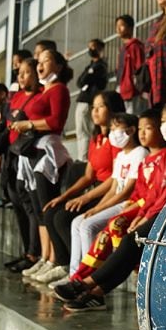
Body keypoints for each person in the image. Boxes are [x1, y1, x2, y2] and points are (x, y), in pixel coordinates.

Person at [57, 100, 166, 313]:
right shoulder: (165, 154)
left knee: (130, 242)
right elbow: (154, 192)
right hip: (157, 210)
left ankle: (86, 283)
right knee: (130, 243)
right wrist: (142, 214)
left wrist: (146, 217)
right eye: (163, 121)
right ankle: (94, 294)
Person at [55, 109, 160, 290]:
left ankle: (89, 278)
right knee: (77, 222)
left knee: (88, 226)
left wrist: (98, 210)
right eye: (112, 129)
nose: (113, 133)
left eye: (117, 128)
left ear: (131, 130)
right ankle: (75, 275)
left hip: (127, 202)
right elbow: (113, 187)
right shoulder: (120, 155)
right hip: (117, 200)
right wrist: (97, 207)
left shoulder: (140, 153)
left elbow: (127, 191)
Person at [36, 90, 125, 284]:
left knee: (63, 218)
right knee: (52, 211)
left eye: (100, 106)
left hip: (109, 191)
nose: (95, 111)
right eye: (93, 107)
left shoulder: (117, 139)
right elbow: (87, 176)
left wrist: (84, 199)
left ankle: (79, 270)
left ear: (112, 109)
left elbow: (114, 179)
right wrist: (64, 196)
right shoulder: (96, 139)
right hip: (95, 188)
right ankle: (63, 264)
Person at [12, 49, 73, 278]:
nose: (41, 64)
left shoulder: (59, 89)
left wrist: (29, 125)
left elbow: (56, 121)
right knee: (39, 210)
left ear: (58, 66)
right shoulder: (42, 90)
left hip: (47, 150)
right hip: (33, 151)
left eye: (47, 60)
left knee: (48, 207)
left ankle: (60, 259)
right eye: (39, 61)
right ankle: (46, 257)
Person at [0, 57, 43, 271]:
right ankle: (27, 250)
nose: (21, 77)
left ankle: (35, 253)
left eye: (26, 72)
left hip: (30, 154)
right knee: (18, 205)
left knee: (32, 207)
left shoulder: (42, 95)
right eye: (19, 73)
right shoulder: (15, 98)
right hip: (11, 156)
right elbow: (8, 127)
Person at [74, 39, 109, 161]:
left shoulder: (100, 65)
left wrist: (89, 75)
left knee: (85, 131)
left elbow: (92, 80)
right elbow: (80, 81)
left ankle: (84, 159)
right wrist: (88, 74)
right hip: (83, 99)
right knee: (81, 131)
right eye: (89, 47)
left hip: (88, 100)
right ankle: (84, 157)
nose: (91, 50)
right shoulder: (90, 66)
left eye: (93, 47)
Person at [114, 14, 146, 114]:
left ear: (130, 27)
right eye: (117, 26)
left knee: (133, 117)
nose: (118, 28)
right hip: (121, 90)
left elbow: (140, 68)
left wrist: (139, 88)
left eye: (122, 25)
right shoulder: (122, 49)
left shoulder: (135, 47)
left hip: (132, 91)